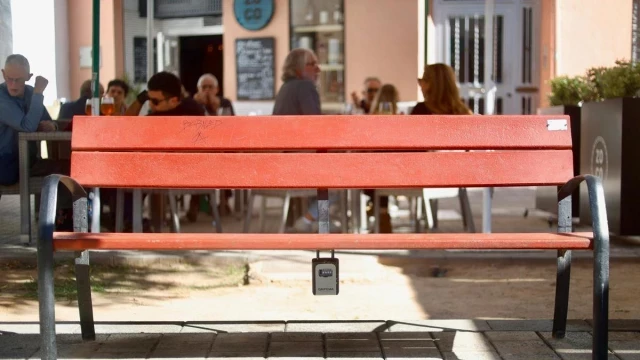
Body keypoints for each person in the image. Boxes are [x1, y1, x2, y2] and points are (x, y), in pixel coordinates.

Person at [0, 54, 71, 230]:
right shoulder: (2, 97)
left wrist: (51, 126)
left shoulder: (31, 94)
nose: (14, 85)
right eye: (10, 79)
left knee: (69, 169)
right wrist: (39, 93)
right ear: (3, 74)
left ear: (29, 77)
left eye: (19, 80)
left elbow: (48, 121)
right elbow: (28, 126)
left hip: (28, 162)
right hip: (4, 164)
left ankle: (64, 226)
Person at [273, 48, 340, 233]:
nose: (318, 69)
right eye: (312, 64)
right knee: (339, 182)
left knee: (326, 171)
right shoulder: (305, 87)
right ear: (298, 68)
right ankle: (312, 220)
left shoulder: (285, 89)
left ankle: (315, 221)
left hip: (283, 163)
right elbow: (315, 126)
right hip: (298, 166)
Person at [272, 48, 321, 115]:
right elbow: (315, 121)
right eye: (312, 64)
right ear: (297, 67)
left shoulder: (285, 87)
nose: (318, 69)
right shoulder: (304, 86)